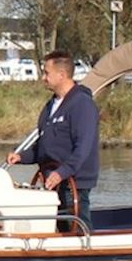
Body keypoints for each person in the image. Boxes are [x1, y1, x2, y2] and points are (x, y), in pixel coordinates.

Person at [6, 50, 100, 232]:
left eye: (47, 73)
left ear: (62, 75)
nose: (43, 78)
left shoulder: (82, 104)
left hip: (74, 184)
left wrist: (62, 172)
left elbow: (83, 147)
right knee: (57, 229)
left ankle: (85, 257)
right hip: (52, 182)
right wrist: (21, 157)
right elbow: (45, 146)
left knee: (77, 231)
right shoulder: (51, 106)